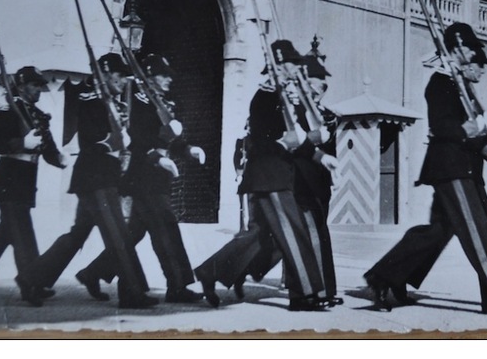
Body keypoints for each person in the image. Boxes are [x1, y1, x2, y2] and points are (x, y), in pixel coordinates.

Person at [363, 22, 487, 315]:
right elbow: (442, 127)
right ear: (457, 50)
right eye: (471, 50)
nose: (477, 60)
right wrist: (474, 132)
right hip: (451, 170)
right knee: (480, 234)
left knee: (439, 232)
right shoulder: (440, 83)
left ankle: (385, 277)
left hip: (465, 170)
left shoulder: (460, 85)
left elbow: (477, 131)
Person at [194, 40, 327, 311]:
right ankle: (304, 295)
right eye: (291, 63)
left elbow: (297, 137)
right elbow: (264, 141)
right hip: (269, 176)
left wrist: (319, 155)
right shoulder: (265, 97)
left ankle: (213, 271)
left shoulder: (283, 97)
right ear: (278, 65)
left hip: (278, 175)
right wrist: (287, 142)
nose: (296, 69)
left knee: (261, 237)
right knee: (293, 233)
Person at [16, 54, 157, 309]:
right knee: (118, 234)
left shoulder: (116, 103)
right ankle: (132, 293)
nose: (124, 81)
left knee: (77, 235)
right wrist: (117, 140)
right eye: (119, 75)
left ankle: (32, 277)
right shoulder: (91, 99)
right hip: (95, 177)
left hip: (104, 177)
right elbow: (91, 138)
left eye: (125, 76)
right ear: (105, 74)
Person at [76, 54, 206, 304]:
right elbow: (133, 137)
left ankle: (93, 272)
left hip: (158, 175)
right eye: (163, 75)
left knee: (134, 232)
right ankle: (176, 286)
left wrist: (188, 149)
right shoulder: (135, 100)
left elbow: (170, 138)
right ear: (148, 75)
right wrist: (156, 157)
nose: (169, 80)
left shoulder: (164, 103)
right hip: (141, 173)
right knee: (165, 225)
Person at [0, 66, 67, 304]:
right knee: (23, 232)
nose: (39, 89)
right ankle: (32, 283)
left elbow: (48, 149)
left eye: (40, 85)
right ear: (20, 86)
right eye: (34, 85)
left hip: (26, 180)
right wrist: (21, 142)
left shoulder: (37, 115)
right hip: (8, 179)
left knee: (5, 234)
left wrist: (61, 159)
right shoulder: (8, 112)